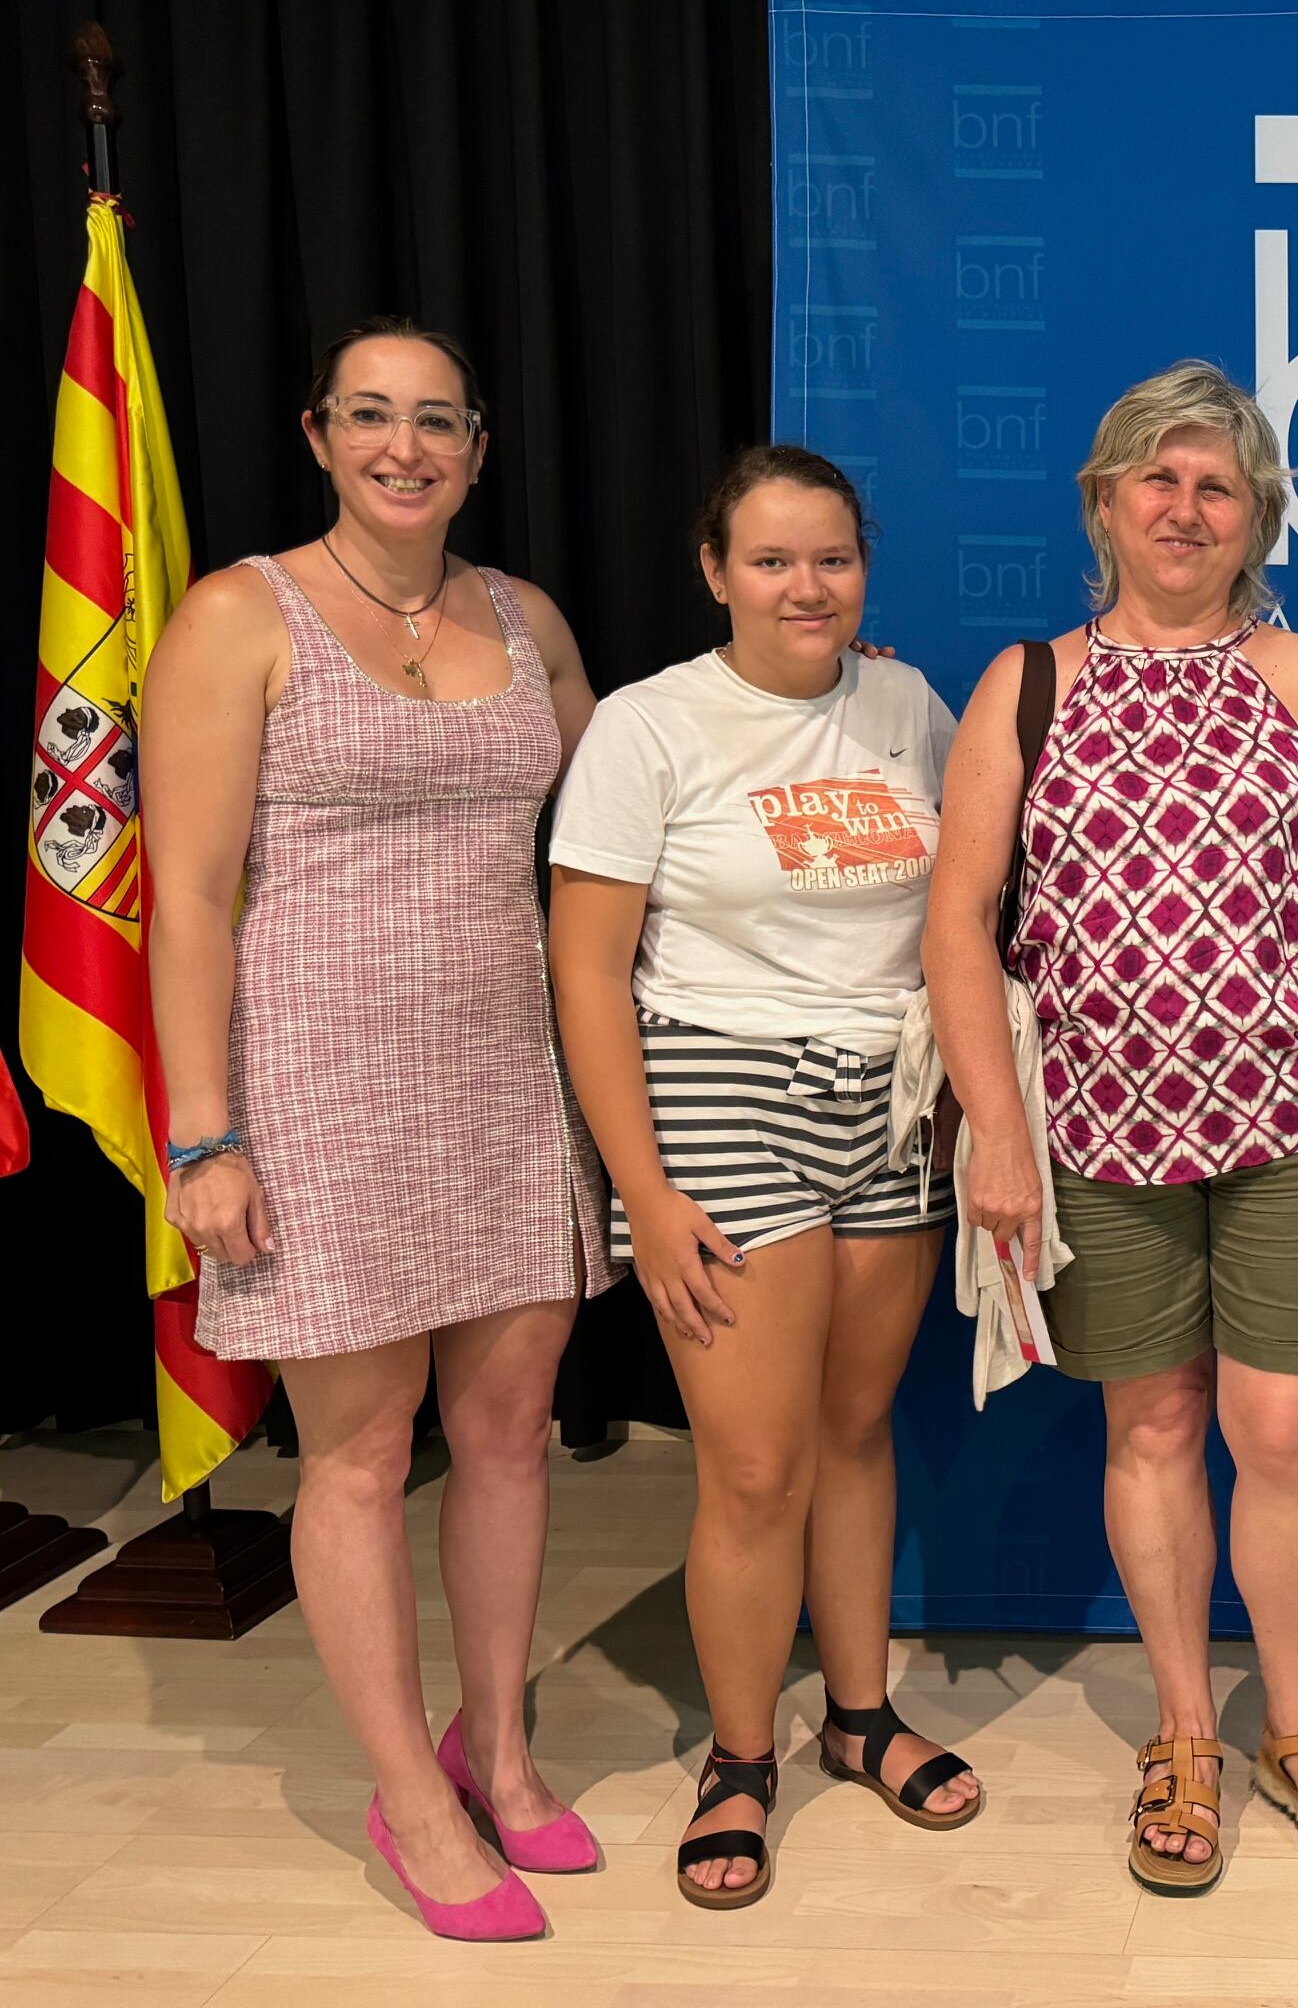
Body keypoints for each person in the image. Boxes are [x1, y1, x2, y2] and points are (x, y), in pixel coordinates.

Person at [143, 318, 615, 1942]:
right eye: (371, 417)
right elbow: (188, 899)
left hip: (505, 1076)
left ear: (479, 447)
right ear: (320, 435)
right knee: (356, 1447)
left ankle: (497, 1742)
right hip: (315, 1090)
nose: (403, 446)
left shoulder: (526, 617)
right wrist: (203, 1138)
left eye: (436, 421)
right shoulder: (235, 617)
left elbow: (631, 800)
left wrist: (829, 704)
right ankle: (410, 1799)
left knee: (507, 1426)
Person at [927, 362, 1298, 1892]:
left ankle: (1294, 1721)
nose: (1185, 508)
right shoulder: (1028, 683)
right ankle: (1185, 1728)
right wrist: (996, 1130)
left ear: (1256, 514)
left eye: (1216, 485)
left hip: (1292, 1122)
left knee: (1278, 1428)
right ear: (1104, 501)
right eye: (1158, 479)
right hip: (1091, 1136)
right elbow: (959, 916)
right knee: (1149, 1423)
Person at [546, 446, 980, 1910]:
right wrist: (644, 1189)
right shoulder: (647, 726)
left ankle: (856, 1716)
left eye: (835, 559)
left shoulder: (911, 703)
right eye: (777, 560)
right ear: (714, 568)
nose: (810, 586)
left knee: (855, 1429)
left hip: (893, 1100)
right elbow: (589, 974)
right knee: (750, 1461)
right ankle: (741, 1754)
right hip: (721, 1095)